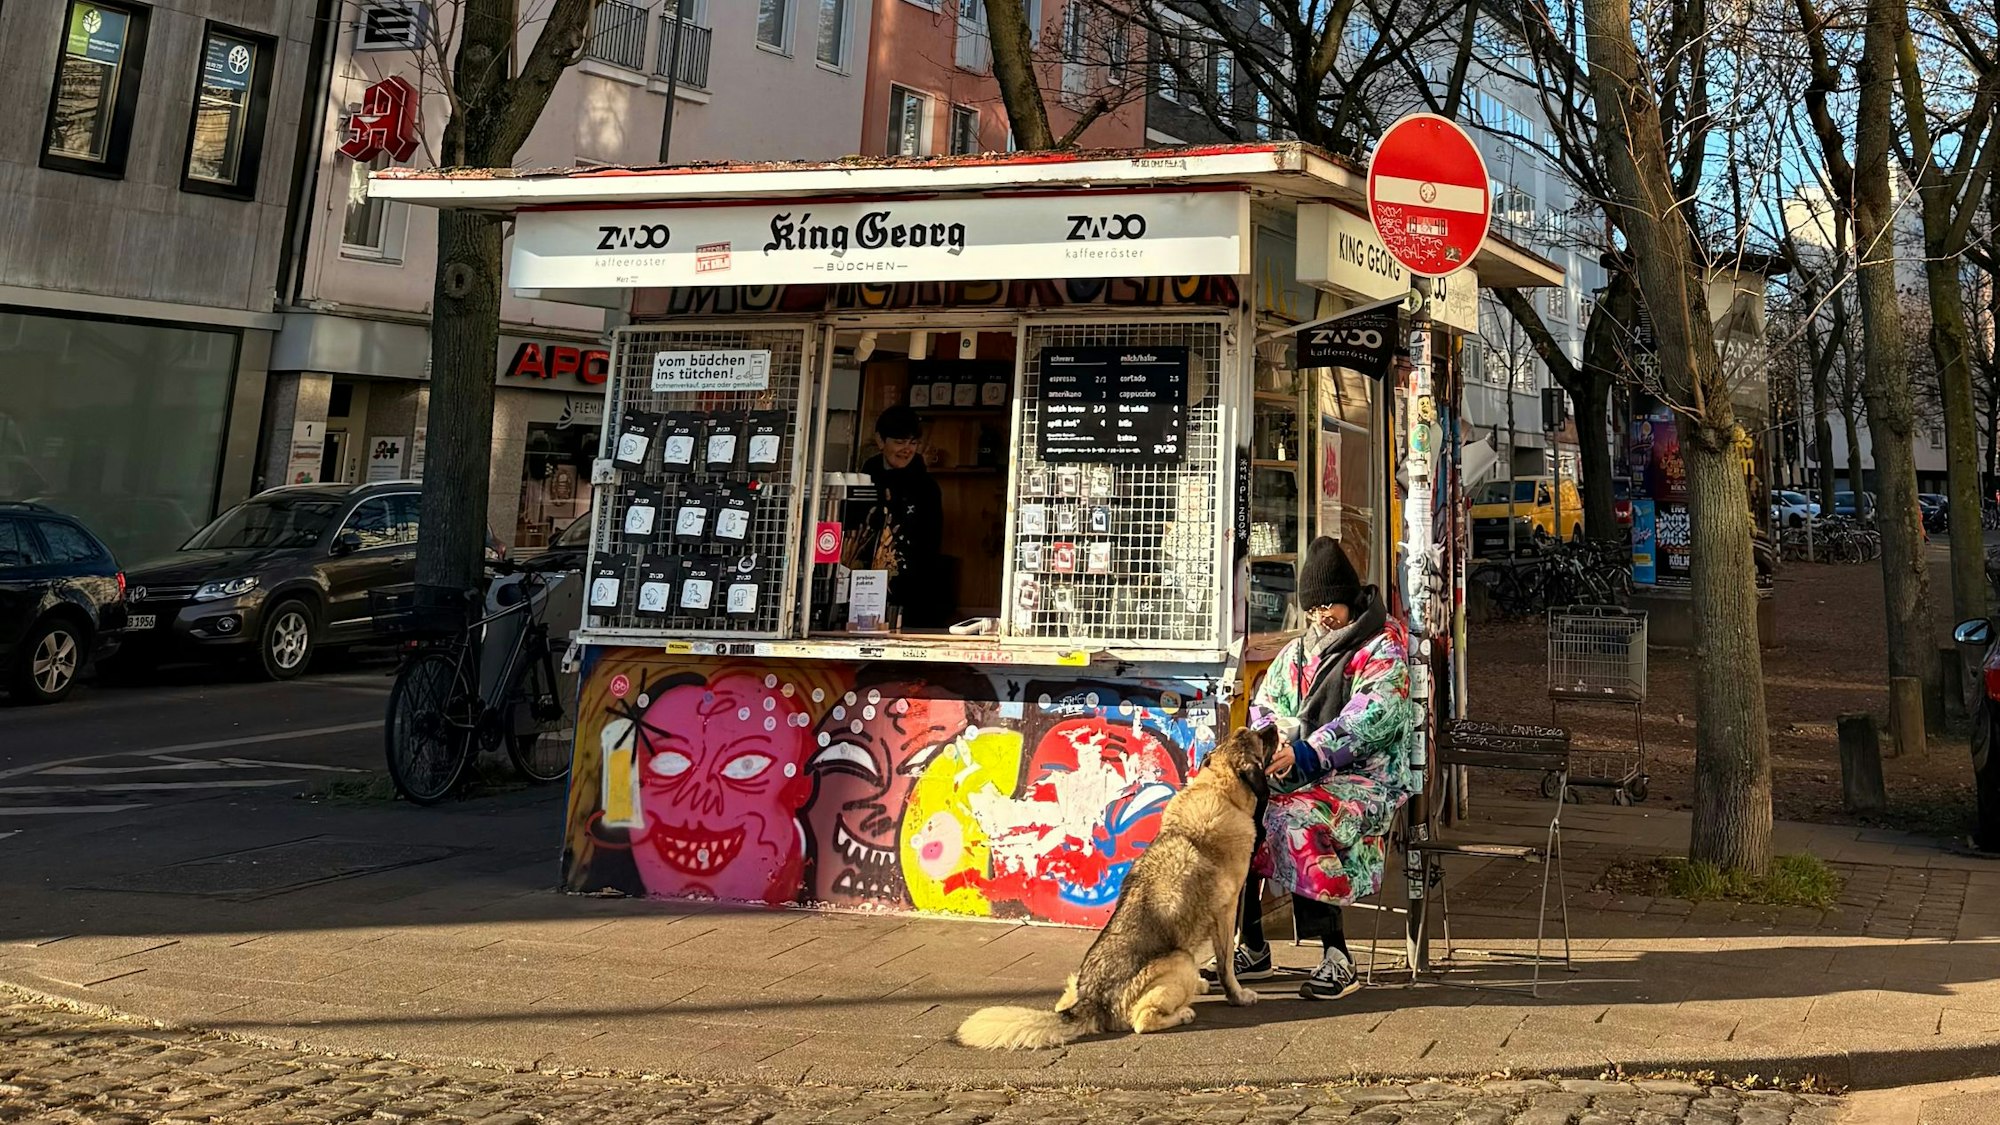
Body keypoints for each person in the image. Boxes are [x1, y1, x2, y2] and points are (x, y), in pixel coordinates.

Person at [1208, 536, 1418, 1000]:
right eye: (1313, 608)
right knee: (1239, 818)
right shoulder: (1299, 652)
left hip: (1365, 780)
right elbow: (1265, 707)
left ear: (1348, 601)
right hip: (1301, 776)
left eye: (1329, 606)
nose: (1321, 617)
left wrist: (1306, 751)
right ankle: (1252, 944)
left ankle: (1337, 954)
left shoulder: (1383, 649)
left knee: (1296, 818)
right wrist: (1274, 743)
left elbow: (1370, 719)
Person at [860, 405, 945, 628]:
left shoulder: (927, 488)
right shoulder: (862, 482)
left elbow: (931, 543)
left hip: (915, 592)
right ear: (880, 441)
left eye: (913, 443)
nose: (907, 449)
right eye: (899, 442)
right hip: (863, 585)